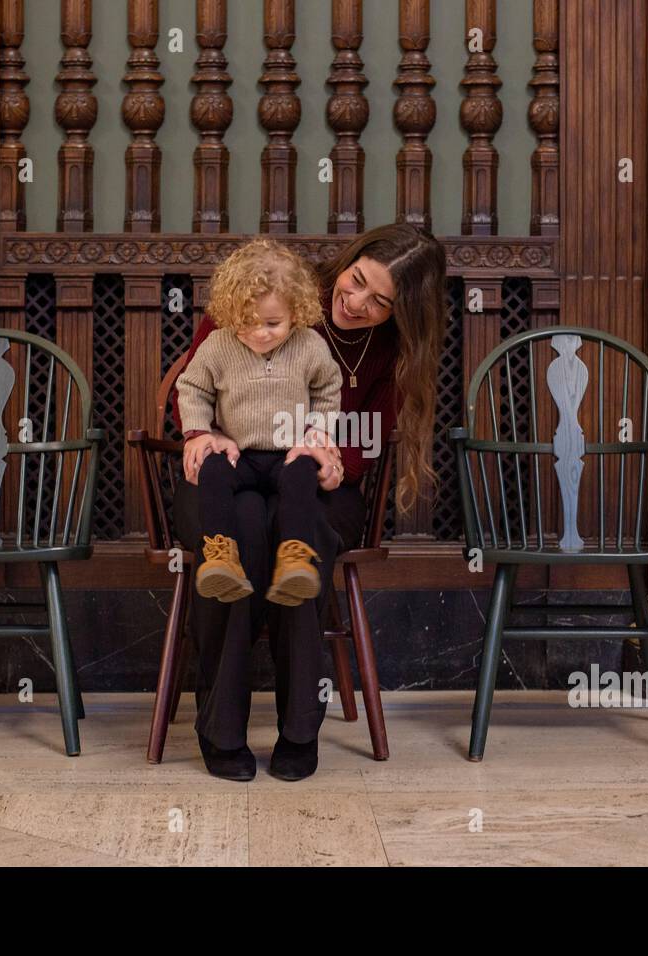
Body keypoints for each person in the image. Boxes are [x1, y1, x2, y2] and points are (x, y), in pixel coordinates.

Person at [171, 223, 447, 782]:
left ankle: (300, 727)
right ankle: (221, 728)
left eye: (380, 301)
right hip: (229, 472)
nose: (356, 301)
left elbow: (372, 439)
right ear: (348, 261)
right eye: (357, 280)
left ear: (403, 312)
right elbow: (193, 384)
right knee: (244, 529)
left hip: (315, 483)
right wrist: (200, 436)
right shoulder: (267, 290)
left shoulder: (392, 349)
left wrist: (334, 456)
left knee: (299, 545)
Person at [176, 238, 342, 607]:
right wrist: (201, 433)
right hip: (240, 455)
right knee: (213, 473)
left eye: (273, 323)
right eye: (247, 322)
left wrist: (318, 431)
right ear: (231, 312)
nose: (259, 332)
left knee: (302, 476)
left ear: (295, 313)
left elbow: (329, 387)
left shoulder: (310, 346)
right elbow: (191, 388)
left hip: (288, 453)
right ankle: (221, 558)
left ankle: (294, 560)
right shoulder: (218, 346)